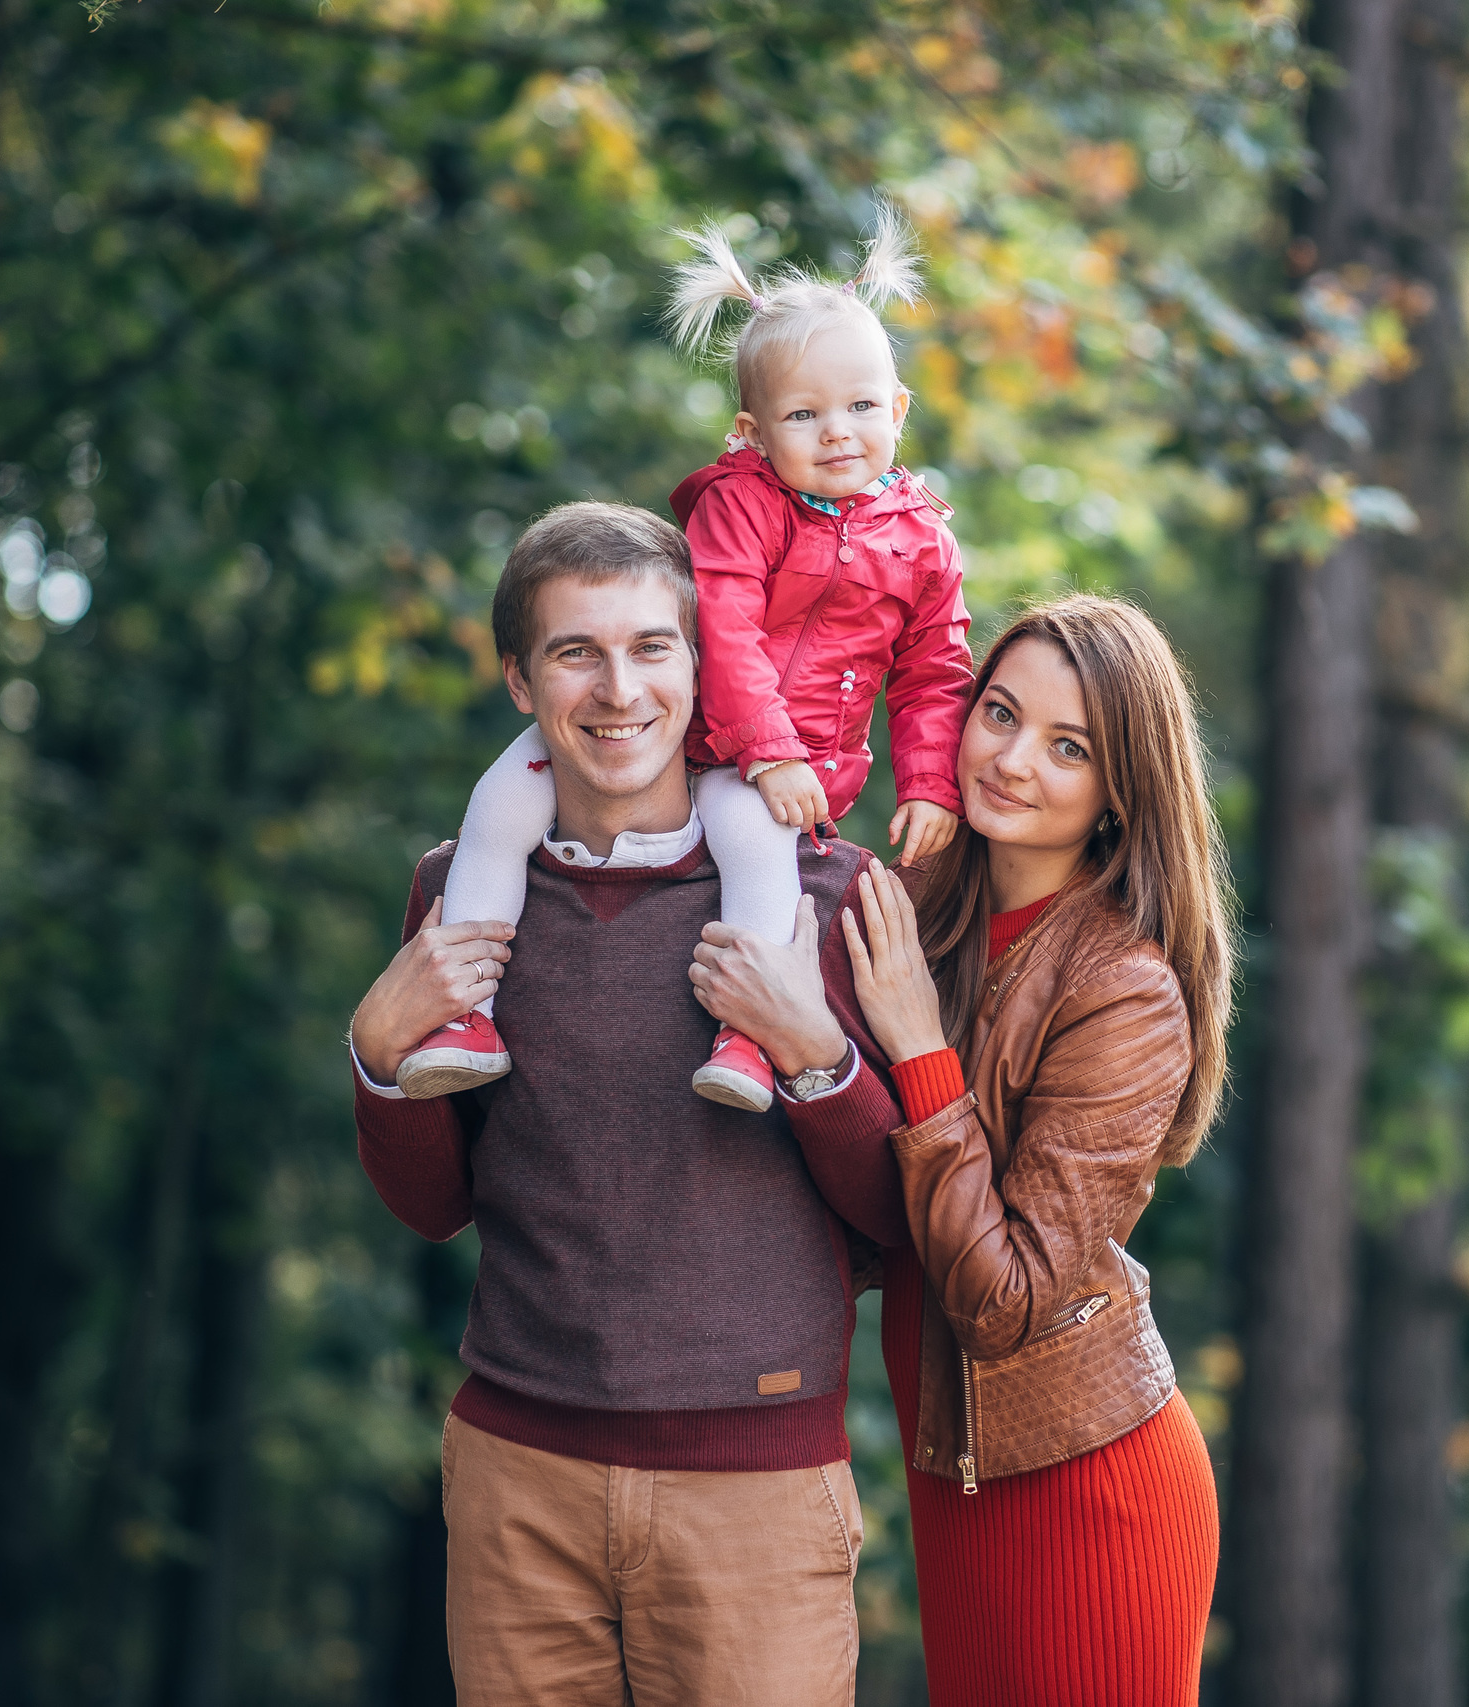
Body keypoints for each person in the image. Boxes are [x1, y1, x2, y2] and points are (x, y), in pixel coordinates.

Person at [347, 501, 915, 1707]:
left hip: (756, 1490)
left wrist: (813, 1054)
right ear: (520, 681)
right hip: (517, 1478)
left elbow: (894, 1220)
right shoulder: (458, 895)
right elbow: (434, 1205)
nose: (619, 691)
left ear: (704, 666)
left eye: (653, 647)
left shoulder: (830, 893)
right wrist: (378, 1053)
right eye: (576, 653)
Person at [697, 593, 1233, 1705]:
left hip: (1088, 1486)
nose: (1013, 760)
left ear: (1121, 791)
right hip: (957, 1472)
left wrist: (914, 1047)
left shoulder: (1124, 991)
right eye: (1000, 713)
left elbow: (1003, 1299)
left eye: (1069, 746)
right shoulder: (916, 912)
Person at [397, 206, 977, 1114]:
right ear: (753, 430)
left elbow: (934, 669)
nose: (837, 431)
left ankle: (749, 1033)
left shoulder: (924, 541)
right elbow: (727, 628)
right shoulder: (741, 506)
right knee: (500, 805)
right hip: (709, 734)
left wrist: (931, 783)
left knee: (757, 848)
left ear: (898, 408)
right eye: (804, 414)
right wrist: (770, 747)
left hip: (774, 769)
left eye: (862, 406)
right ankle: (464, 1016)